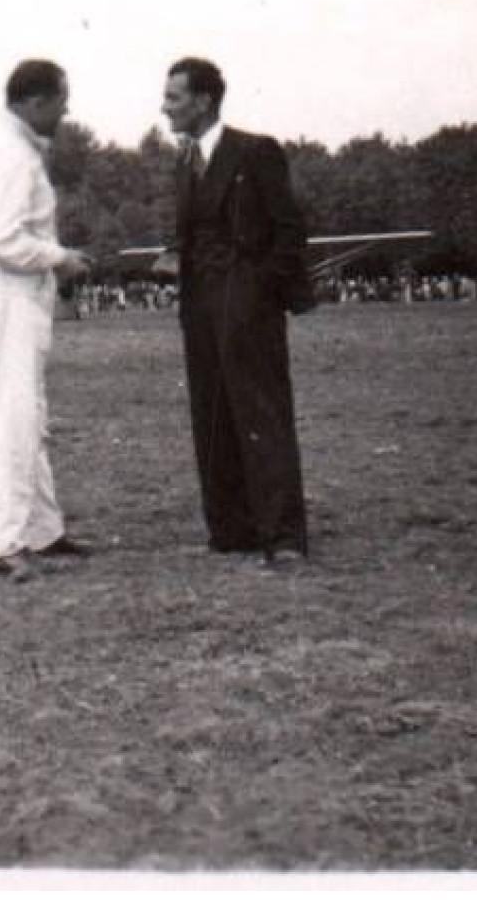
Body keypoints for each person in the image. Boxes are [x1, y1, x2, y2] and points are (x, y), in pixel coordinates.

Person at [155, 57, 312, 569]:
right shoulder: (184, 162)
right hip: (199, 305)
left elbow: (289, 229)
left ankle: (283, 535)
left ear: (203, 100)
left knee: (261, 414)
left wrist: (259, 289)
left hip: (246, 305)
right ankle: (231, 529)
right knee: (213, 415)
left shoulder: (255, 152)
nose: (165, 107)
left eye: (174, 98)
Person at [0, 59, 93, 581]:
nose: (66, 110)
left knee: (20, 413)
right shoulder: (14, 156)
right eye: (60, 100)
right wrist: (60, 258)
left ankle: (41, 531)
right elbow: (4, 237)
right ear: (35, 103)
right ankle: (3, 543)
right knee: (9, 421)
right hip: (2, 289)